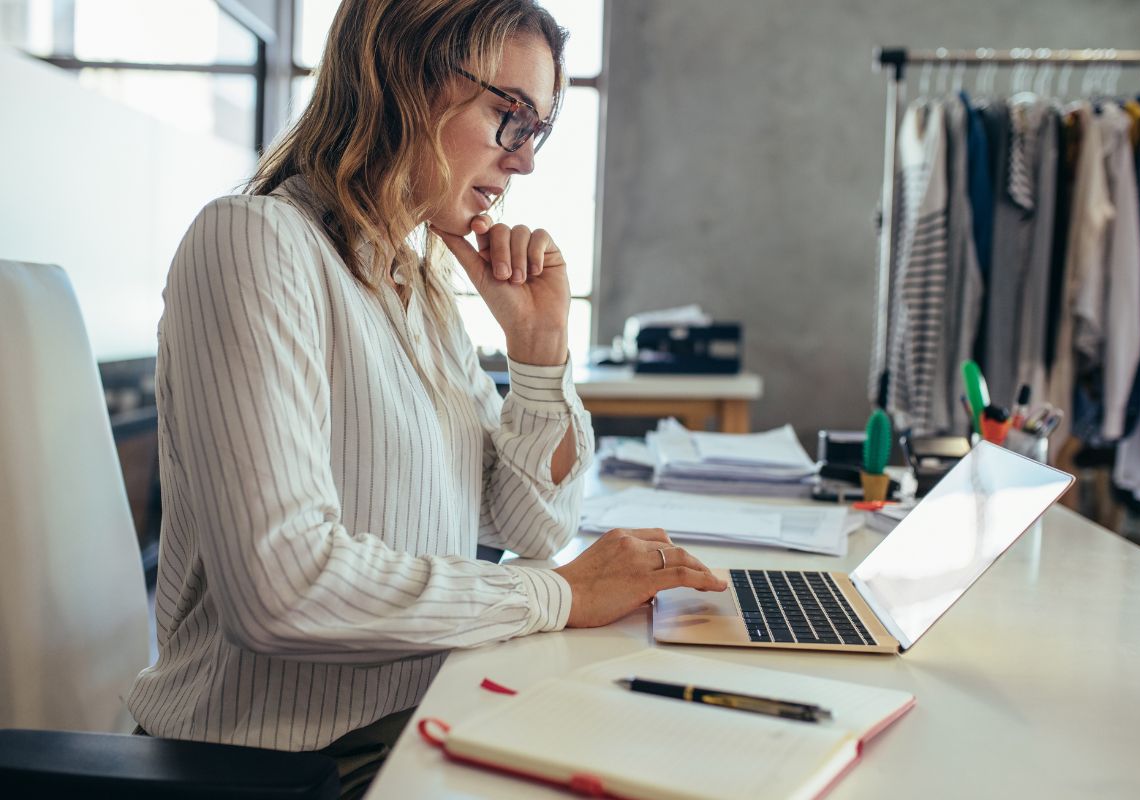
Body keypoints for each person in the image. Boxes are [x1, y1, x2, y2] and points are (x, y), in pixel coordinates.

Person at [125, 1, 725, 795]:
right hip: (280, 769)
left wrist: (540, 356)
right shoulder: (254, 242)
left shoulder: (419, 284)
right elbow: (284, 591)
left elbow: (532, 523)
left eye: (537, 131)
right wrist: (557, 595)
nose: (525, 163)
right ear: (401, 78)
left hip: (418, 727)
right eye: (512, 118)